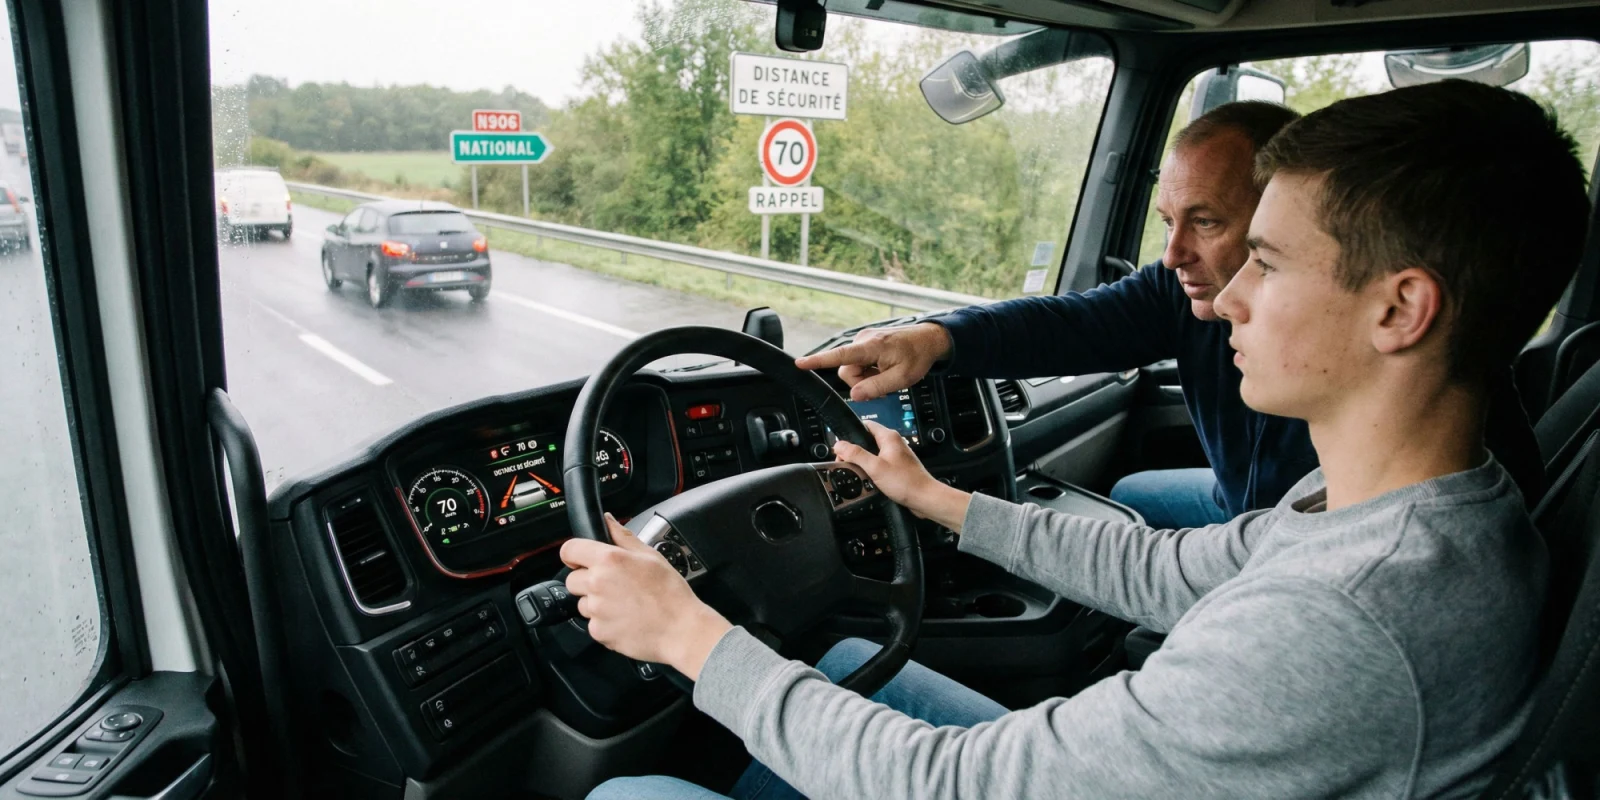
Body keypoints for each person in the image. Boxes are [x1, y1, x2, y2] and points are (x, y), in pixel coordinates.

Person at [568, 80, 1590, 799]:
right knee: (835, 659)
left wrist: (691, 637)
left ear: (1399, 309)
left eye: (1266, 263)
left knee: (633, 791)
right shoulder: (1411, 503)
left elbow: (950, 783)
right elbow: (1164, 563)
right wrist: (942, 502)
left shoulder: (1344, 617)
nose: (1221, 294)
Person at [793, 101, 1545, 529]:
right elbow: (1073, 323)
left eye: (1215, 226)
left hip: (1272, 553)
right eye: (1165, 222)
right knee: (1129, 505)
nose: (1176, 254)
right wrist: (937, 340)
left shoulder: (1387, 532)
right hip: (1253, 523)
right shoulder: (1362, 508)